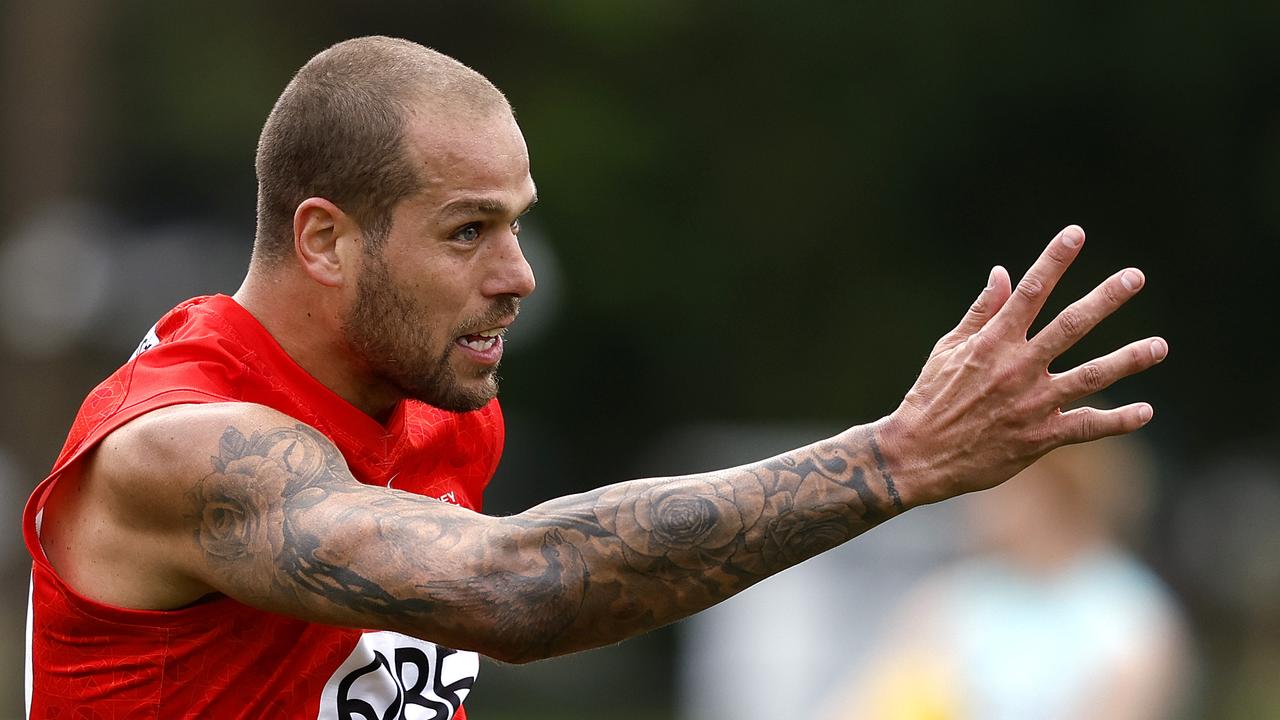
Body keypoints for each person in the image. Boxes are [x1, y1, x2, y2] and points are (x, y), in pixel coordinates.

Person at [22, 36, 1168, 719]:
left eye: (517, 223)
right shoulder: (181, 446)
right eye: (467, 230)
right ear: (324, 240)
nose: (517, 275)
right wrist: (893, 459)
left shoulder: (435, 409)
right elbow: (512, 590)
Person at [816, 433, 1191, 720]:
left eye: (993, 483)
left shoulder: (1128, 616)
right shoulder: (951, 598)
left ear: (1052, 492)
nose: (971, 499)